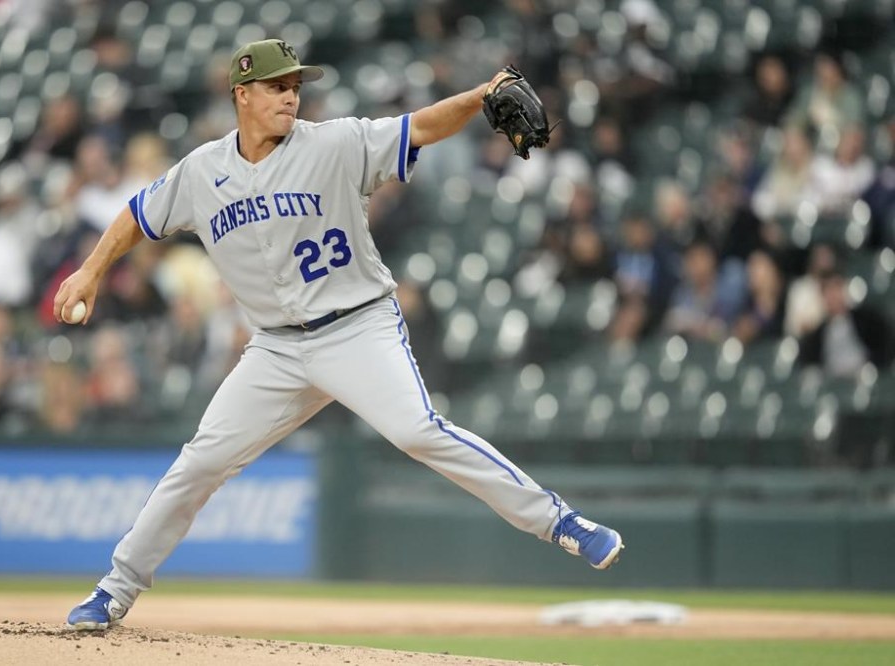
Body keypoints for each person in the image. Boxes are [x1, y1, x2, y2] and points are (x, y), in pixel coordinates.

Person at [58, 39, 623, 631]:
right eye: (278, 86)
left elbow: (421, 127)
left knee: (418, 430)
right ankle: (113, 591)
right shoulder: (202, 172)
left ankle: (560, 522)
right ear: (241, 95)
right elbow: (137, 215)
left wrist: (480, 95)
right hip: (275, 347)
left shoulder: (334, 143)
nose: (291, 96)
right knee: (200, 462)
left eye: (296, 85)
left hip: (357, 328)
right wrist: (91, 269)